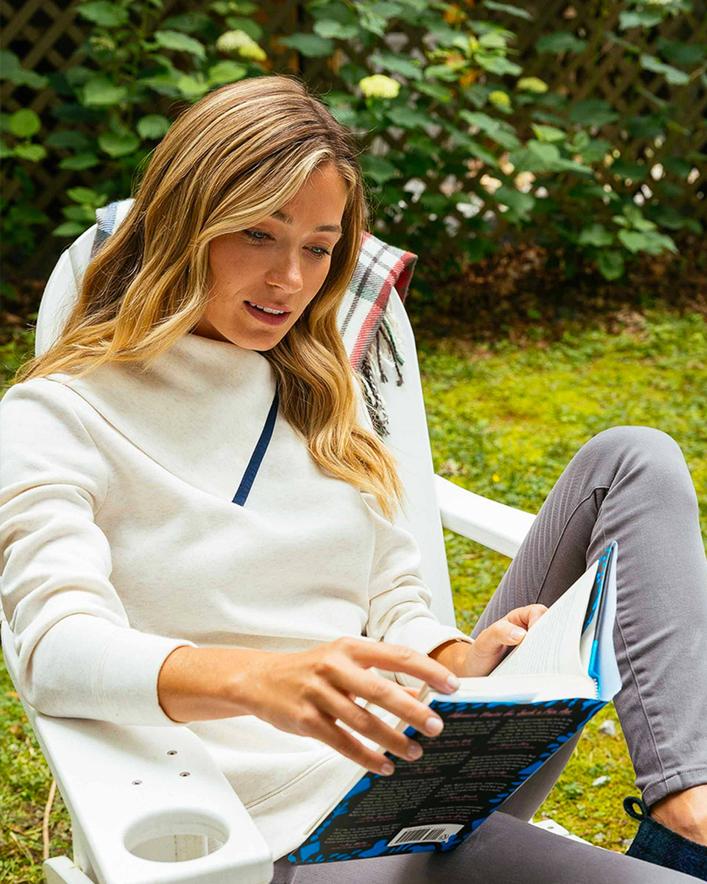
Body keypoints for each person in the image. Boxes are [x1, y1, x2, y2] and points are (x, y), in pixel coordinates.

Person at [0, 74, 705, 883]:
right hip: (283, 838)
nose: (290, 282)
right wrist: (263, 680)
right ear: (186, 223)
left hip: (417, 763)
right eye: (259, 235)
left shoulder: (316, 393)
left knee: (633, 459)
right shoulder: (56, 415)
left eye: (317, 247)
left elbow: (392, 604)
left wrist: (454, 658)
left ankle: (685, 804)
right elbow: (55, 647)